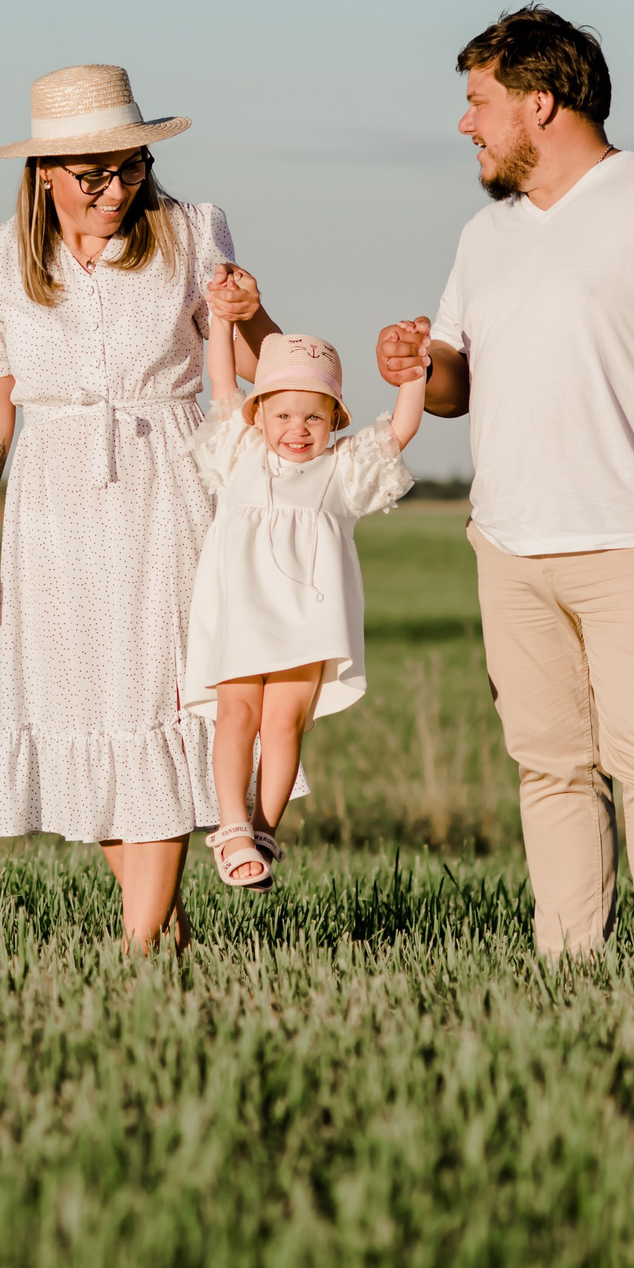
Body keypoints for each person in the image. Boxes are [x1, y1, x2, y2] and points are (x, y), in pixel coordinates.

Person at [375, 7, 634, 964]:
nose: (466, 124)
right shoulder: (483, 233)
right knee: (549, 768)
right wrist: (418, 363)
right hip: (508, 544)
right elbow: (459, 384)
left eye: (479, 103)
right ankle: (568, 964)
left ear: (540, 103)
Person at [0, 63, 279, 952]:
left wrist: (250, 316)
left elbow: (268, 367)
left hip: (169, 489)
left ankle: (136, 952)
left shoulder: (190, 231)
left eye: (131, 166)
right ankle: (164, 933)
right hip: (51, 505)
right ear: (44, 173)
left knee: (160, 708)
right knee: (78, 718)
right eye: (94, 173)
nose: (118, 188)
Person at [183, 309, 425, 890]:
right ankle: (233, 828)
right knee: (236, 716)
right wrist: (220, 320)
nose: (298, 429)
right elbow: (222, 383)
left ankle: (264, 832)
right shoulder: (238, 454)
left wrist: (414, 374)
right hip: (240, 616)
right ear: (259, 413)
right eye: (283, 414)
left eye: (314, 417)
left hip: (305, 623)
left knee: (285, 723)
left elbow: (398, 431)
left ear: (335, 419)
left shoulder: (342, 472)